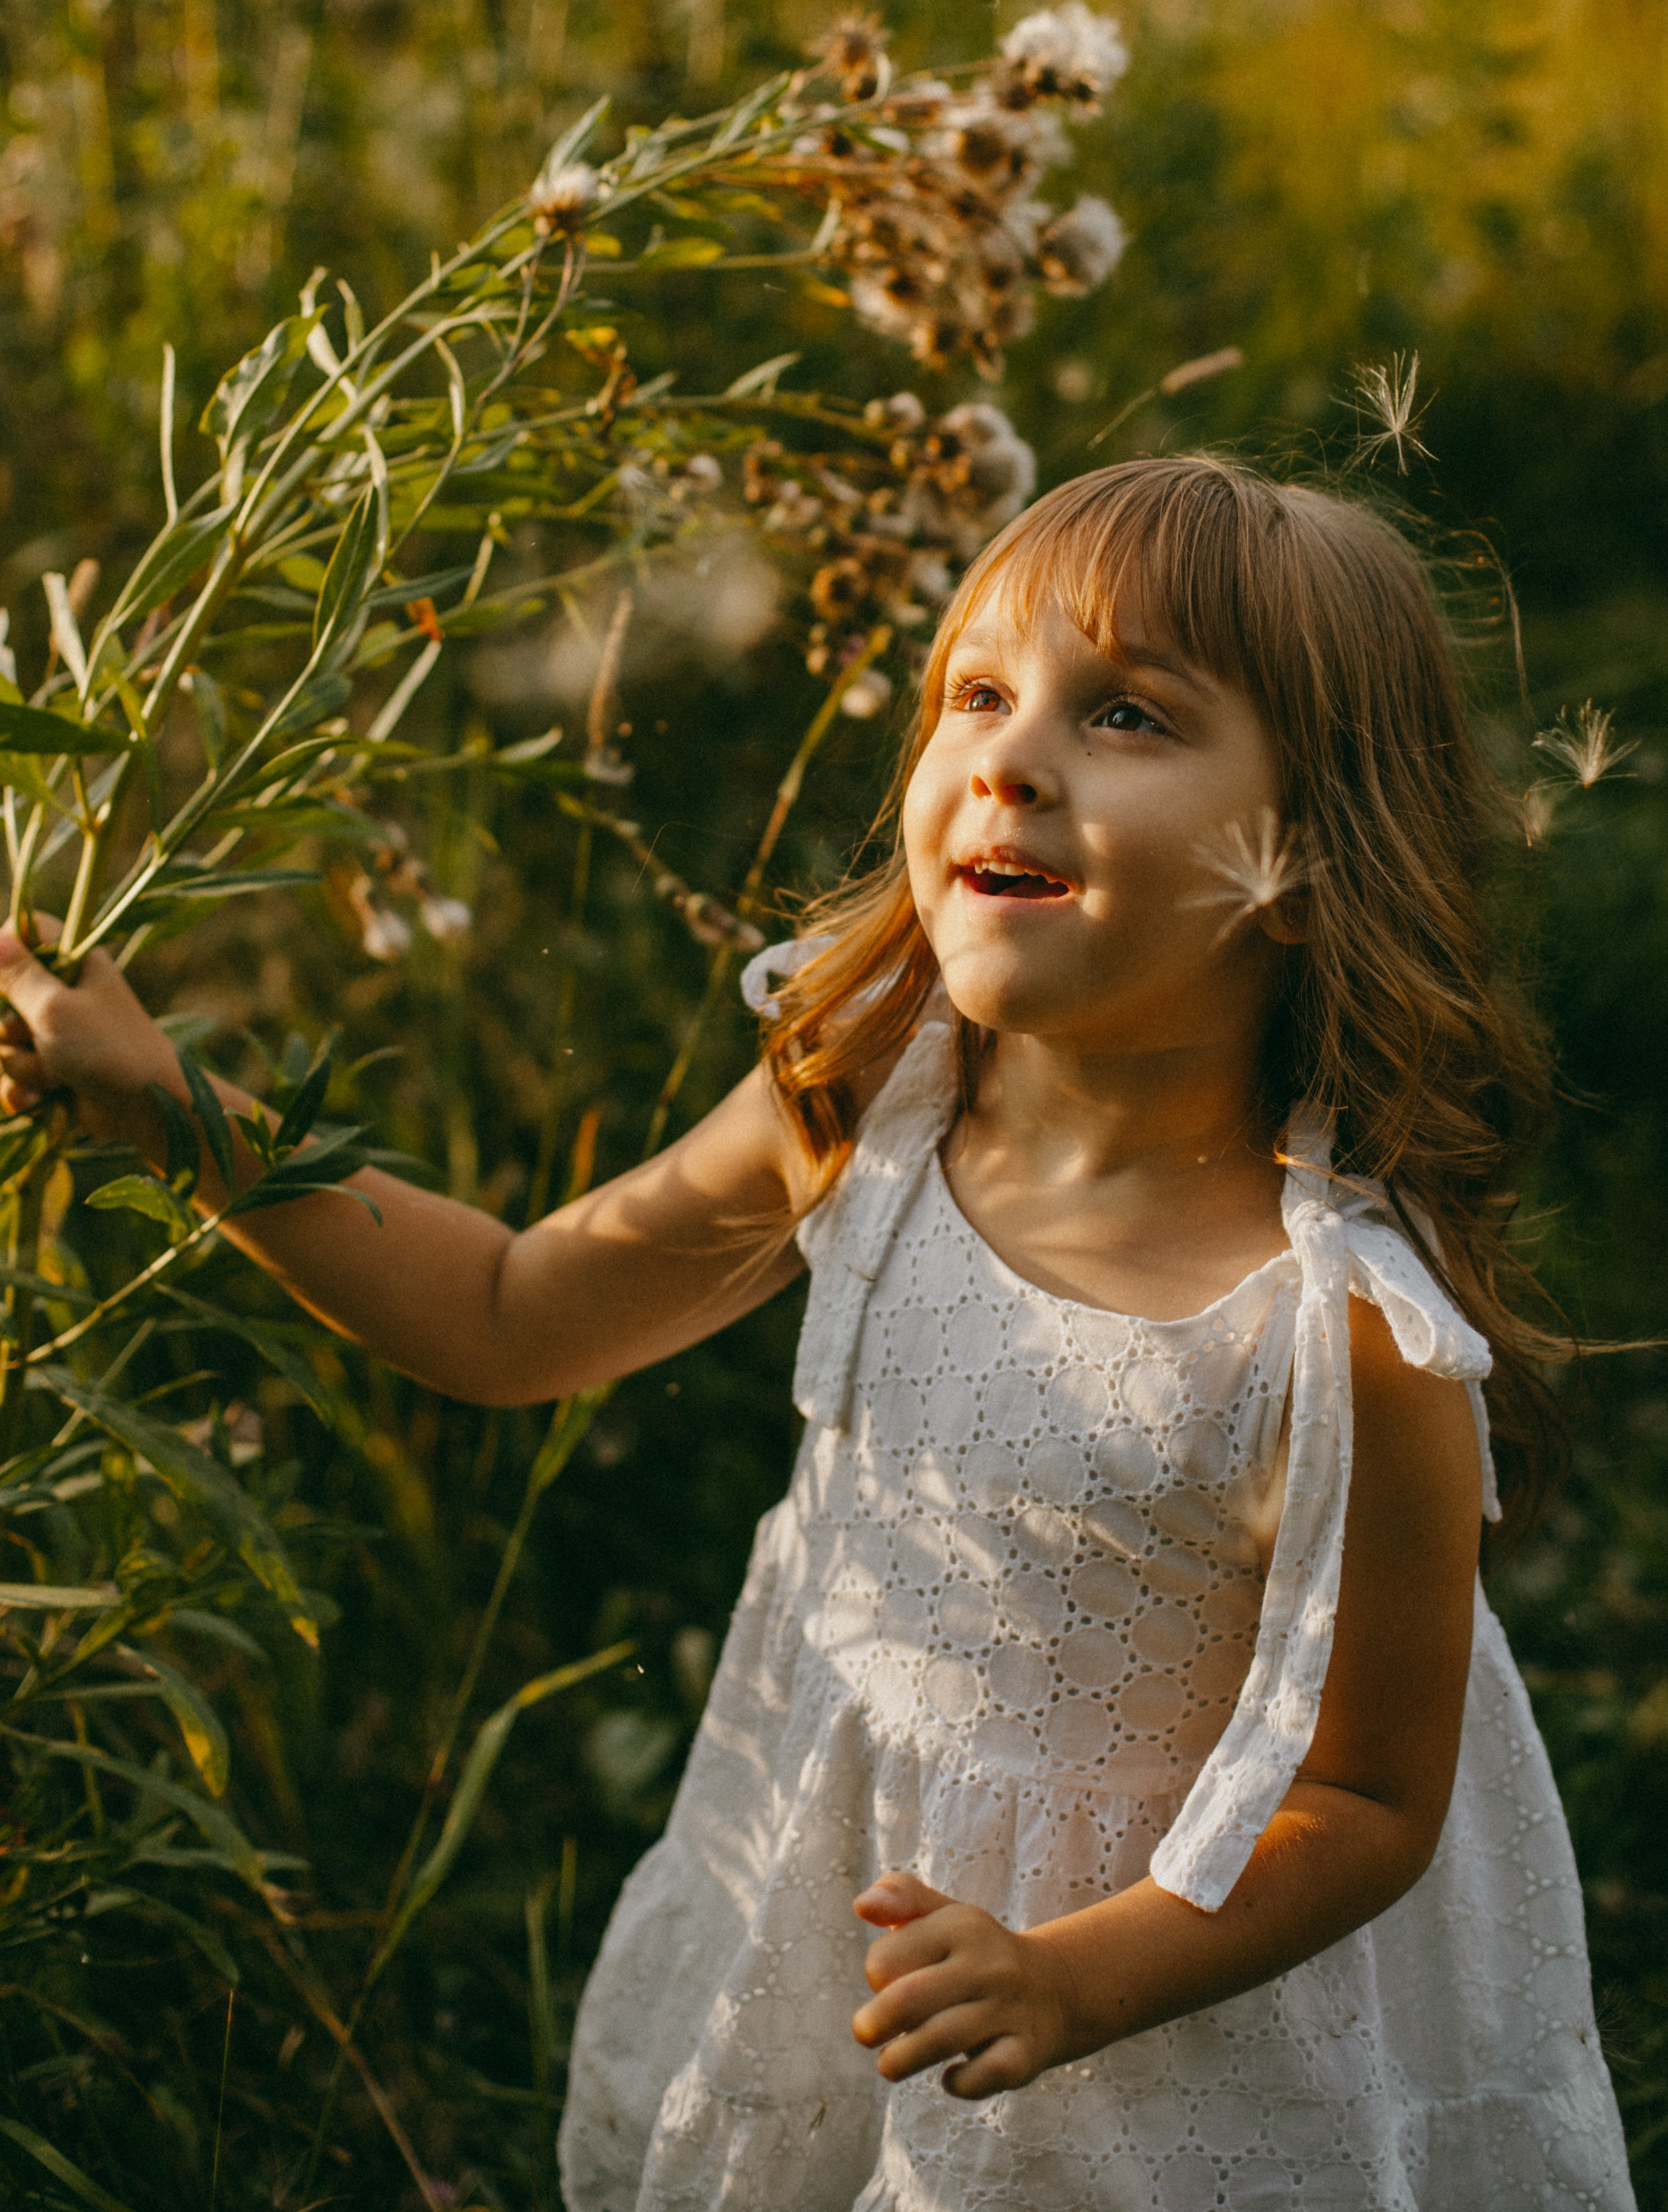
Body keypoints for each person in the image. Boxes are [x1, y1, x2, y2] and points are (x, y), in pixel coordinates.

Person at [0, 457, 1634, 2212]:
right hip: (861, 1913)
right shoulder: (872, 1097)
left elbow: (1374, 1798)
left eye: (1131, 715)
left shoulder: (1338, 1337)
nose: (1011, 755)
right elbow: (504, 1311)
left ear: (1308, 862)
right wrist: (178, 1108)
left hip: (1177, 2009)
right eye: (979, 694)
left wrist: (1077, 1974)